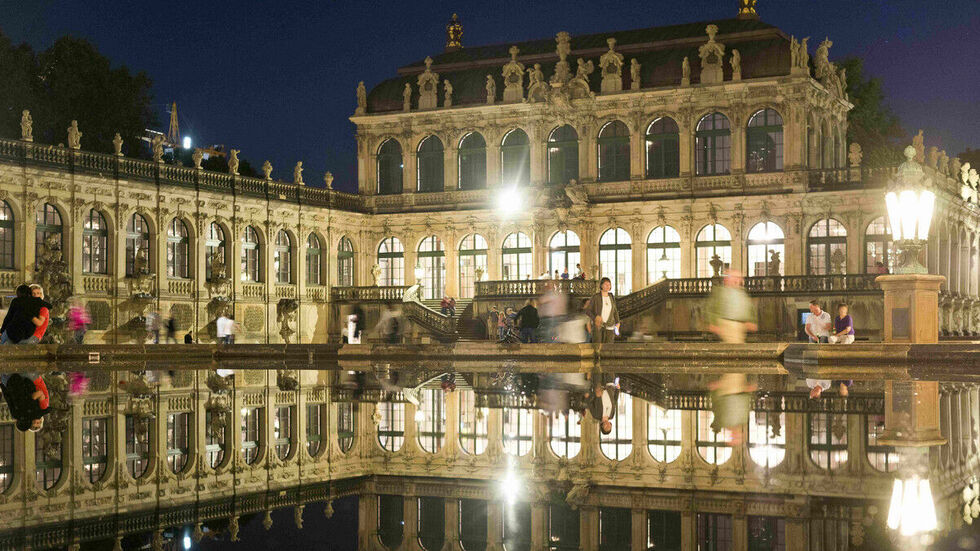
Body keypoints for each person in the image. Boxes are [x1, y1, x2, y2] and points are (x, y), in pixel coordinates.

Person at [705, 270, 758, 443]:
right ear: (729, 280)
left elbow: (747, 308)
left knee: (737, 354)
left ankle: (726, 370)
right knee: (735, 354)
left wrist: (750, 321)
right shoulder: (721, 292)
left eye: (740, 279)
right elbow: (713, 308)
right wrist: (714, 323)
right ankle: (726, 370)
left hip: (739, 325)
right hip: (727, 323)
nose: (739, 281)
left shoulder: (741, 293)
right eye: (736, 278)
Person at [583, 277, 620, 344]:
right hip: (599, 326)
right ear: (601, 285)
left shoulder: (611, 296)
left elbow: (615, 311)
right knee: (598, 346)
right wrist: (595, 318)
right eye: (606, 284)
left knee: (609, 346)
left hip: (610, 325)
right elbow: (588, 311)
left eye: (609, 284)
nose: (608, 286)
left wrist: (618, 322)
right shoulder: (596, 297)